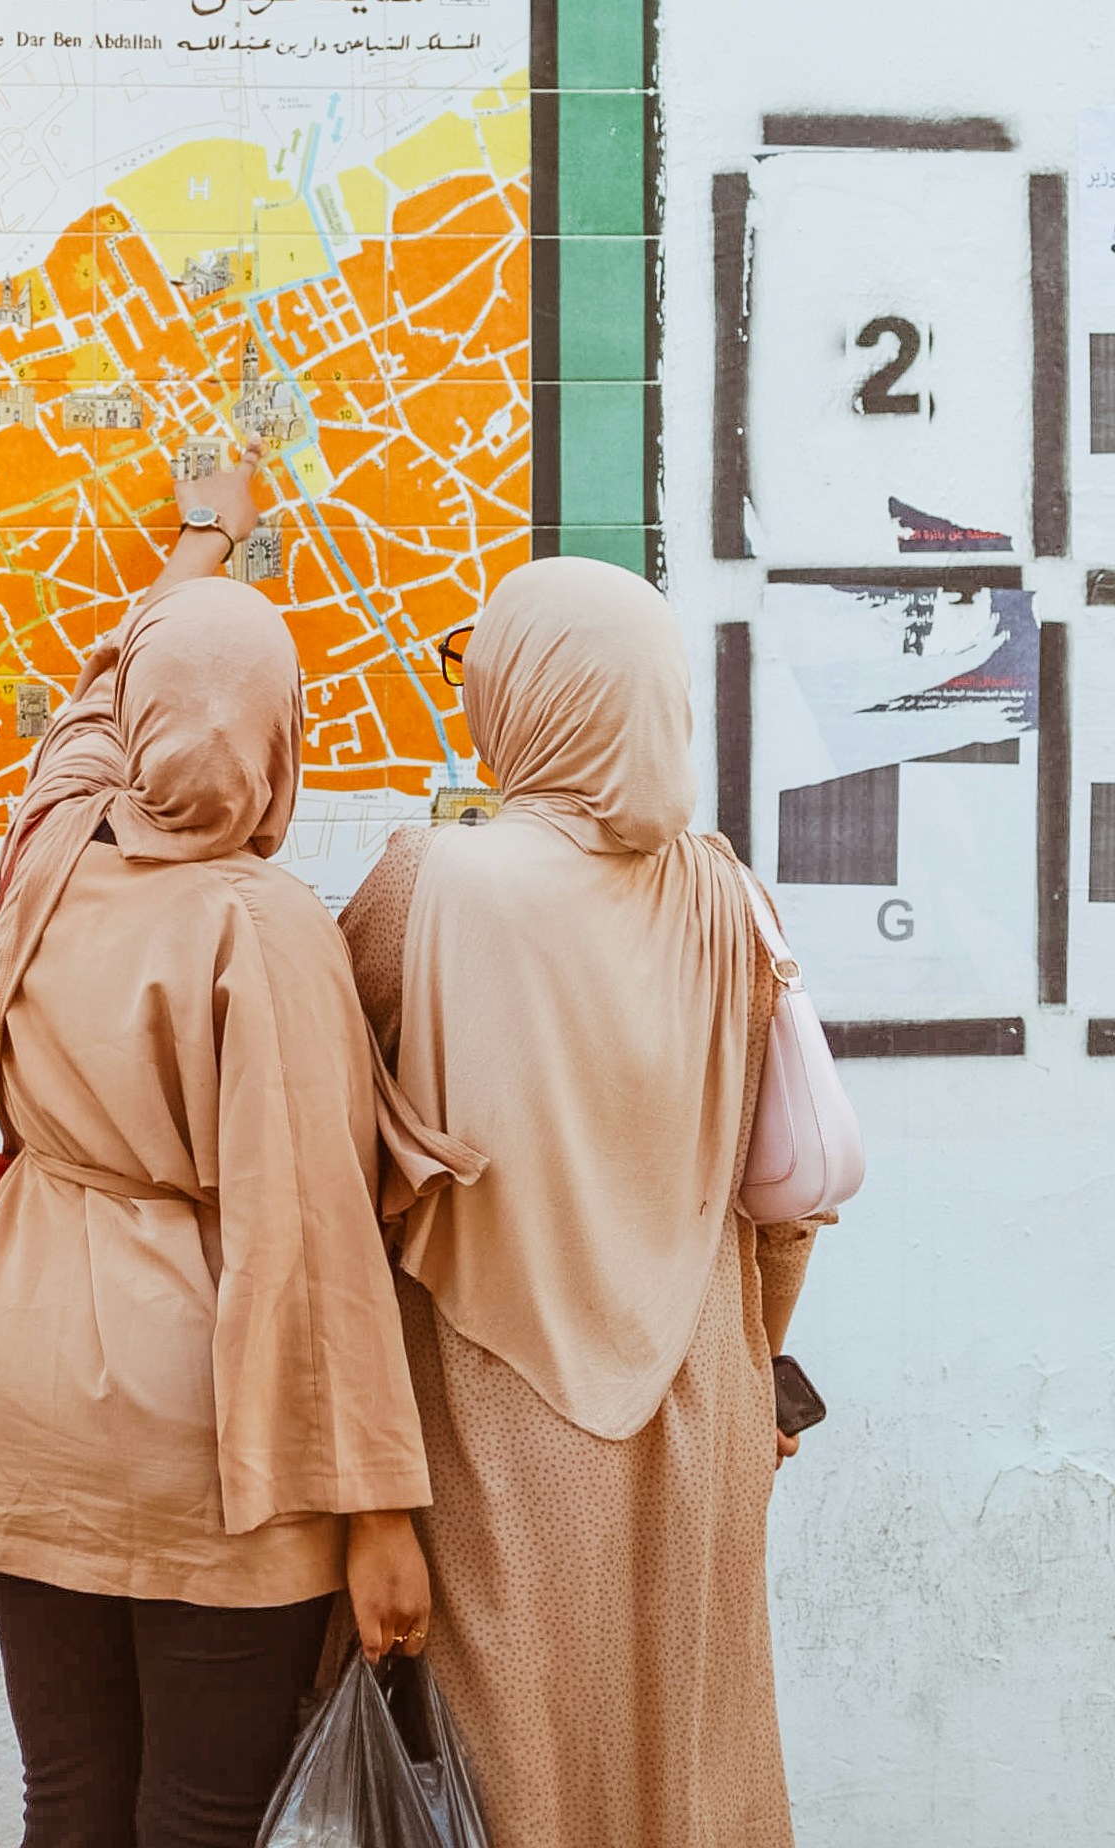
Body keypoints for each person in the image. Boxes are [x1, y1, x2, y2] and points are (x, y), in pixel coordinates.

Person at [0, 441, 433, 1848]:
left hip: (21, 1394)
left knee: (68, 1801)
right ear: (282, 733)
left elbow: (92, 703)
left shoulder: (57, 848)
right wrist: (381, 1511)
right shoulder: (263, 928)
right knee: (202, 1814)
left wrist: (204, 540)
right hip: (203, 1425)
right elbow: (315, 1230)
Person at [342, 557, 827, 1848]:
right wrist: (761, 1356)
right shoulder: (730, 896)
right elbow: (787, 1195)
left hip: (503, 1426)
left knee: (521, 1779)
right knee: (688, 1767)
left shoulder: (430, 886)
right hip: (706, 1405)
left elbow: (320, 1124)